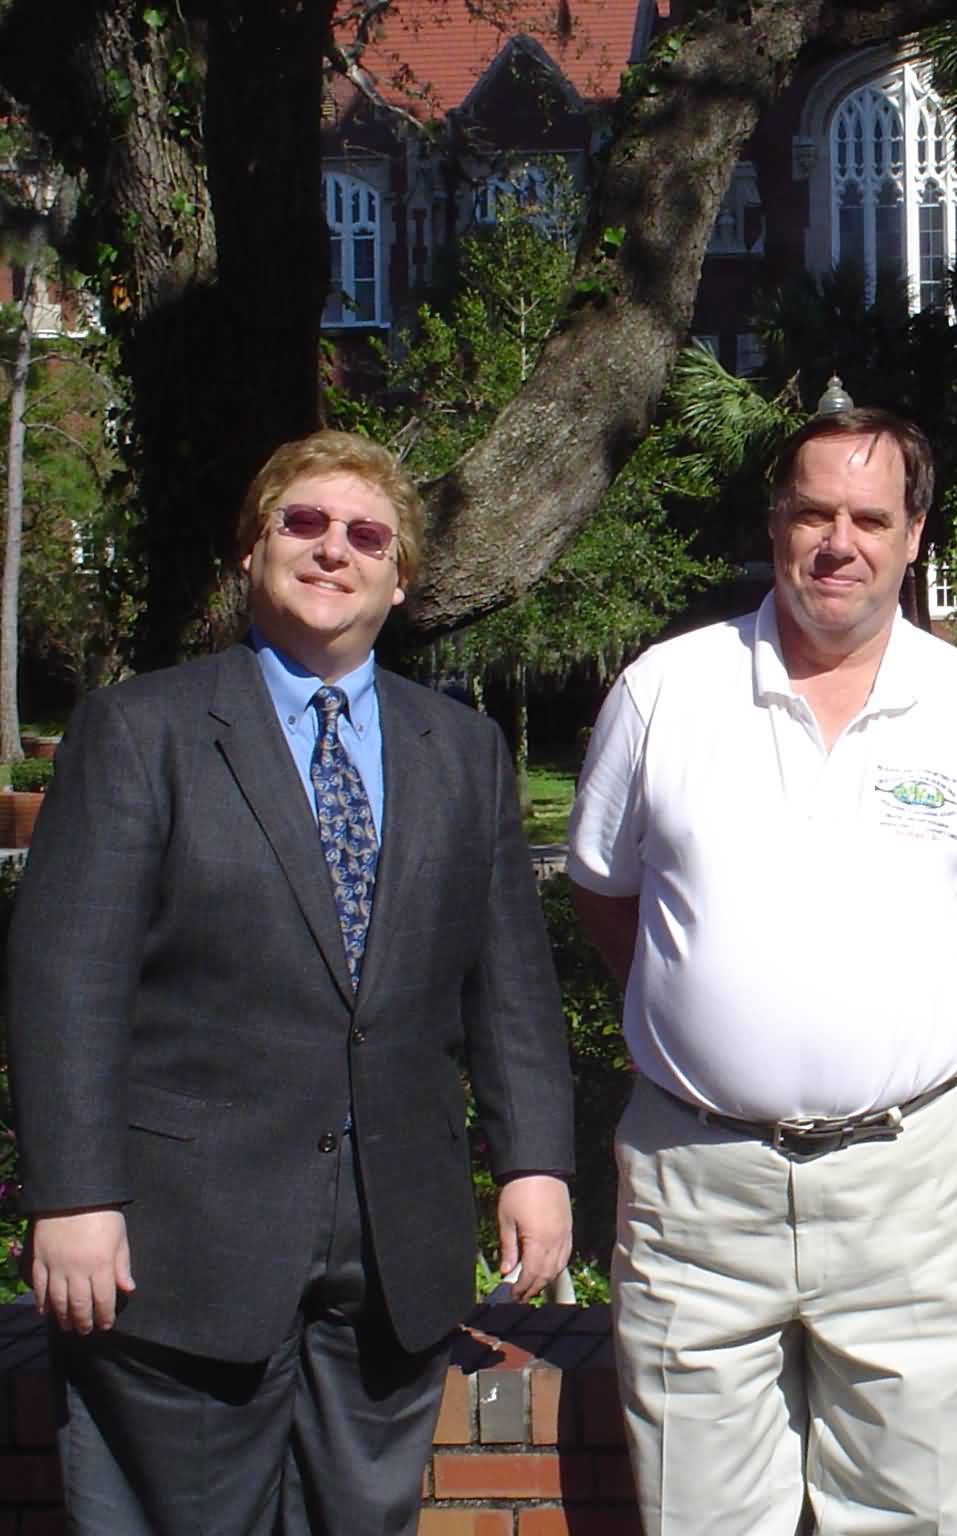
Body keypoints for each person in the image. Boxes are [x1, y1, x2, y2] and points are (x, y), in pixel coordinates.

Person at [7, 429, 576, 1535]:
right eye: (303, 523)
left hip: (392, 1251)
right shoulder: (141, 731)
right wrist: (73, 1196)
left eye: (367, 535)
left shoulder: (462, 751)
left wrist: (535, 1165)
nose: (333, 549)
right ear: (251, 550)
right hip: (182, 1248)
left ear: (399, 579)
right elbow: (67, 981)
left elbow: (509, 982)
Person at [566, 406, 957, 1535]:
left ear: (914, 534)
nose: (840, 543)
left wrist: (894, 1019)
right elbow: (603, 893)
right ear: (775, 524)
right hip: (697, 1187)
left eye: (870, 519)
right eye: (813, 513)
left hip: (909, 1191)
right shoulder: (664, 691)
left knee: (911, 1514)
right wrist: (706, 1018)